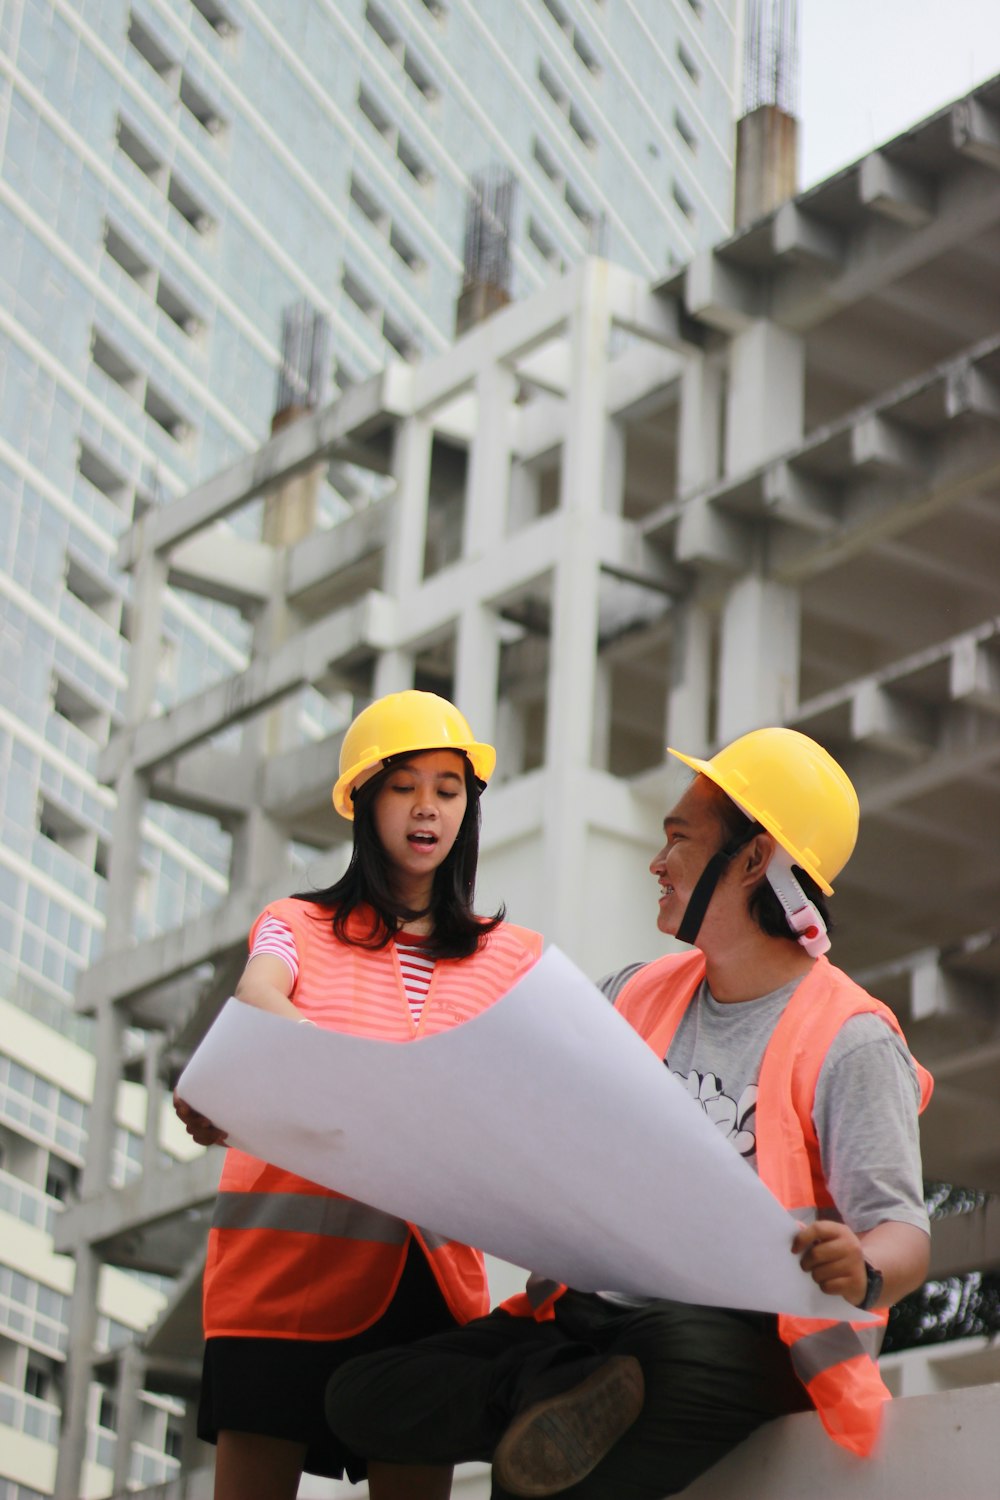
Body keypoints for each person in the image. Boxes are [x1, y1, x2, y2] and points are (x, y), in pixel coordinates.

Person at [325, 727, 933, 1499]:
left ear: (754, 859)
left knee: (669, 1353)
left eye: (678, 839)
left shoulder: (850, 1038)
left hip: (739, 1342)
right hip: (590, 1324)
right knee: (364, 1392)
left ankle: (557, 1407)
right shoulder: (634, 994)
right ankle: (552, 1403)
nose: (657, 862)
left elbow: (904, 1233)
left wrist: (863, 1265)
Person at [173, 690, 542, 1500]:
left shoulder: (510, 958)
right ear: (363, 799)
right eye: (404, 785)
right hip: (281, 1274)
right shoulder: (295, 924)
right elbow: (258, 997)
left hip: (428, 1283)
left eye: (449, 790)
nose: (427, 809)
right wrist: (357, 1082)